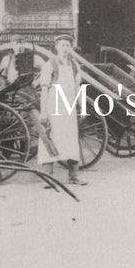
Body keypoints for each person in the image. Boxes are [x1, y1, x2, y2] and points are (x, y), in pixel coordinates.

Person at [38, 34, 88, 185]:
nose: (65, 48)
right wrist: (44, 112)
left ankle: (73, 177)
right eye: (62, 45)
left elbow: (78, 88)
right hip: (54, 107)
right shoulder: (50, 65)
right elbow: (45, 90)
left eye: (68, 45)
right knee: (51, 139)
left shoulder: (74, 65)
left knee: (72, 140)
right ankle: (49, 178)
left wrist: (83, 107)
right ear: (57, 47)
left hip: (69, 109)